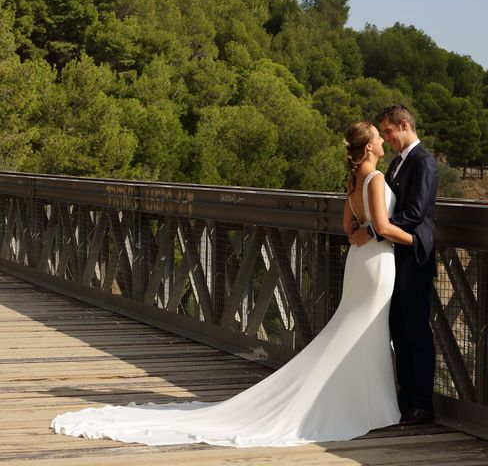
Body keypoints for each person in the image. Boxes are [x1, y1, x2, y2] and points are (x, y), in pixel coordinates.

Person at [50, 120, 413, 447]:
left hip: (359, 263)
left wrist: (363, 232)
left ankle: (361, 403)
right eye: (379, 138)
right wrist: (418, 240)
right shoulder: (376, 179)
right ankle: (368, 406)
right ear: (368, 147)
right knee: (366, 329)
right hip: (378, 263)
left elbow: (349, 231)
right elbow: (381, 228)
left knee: (354, 328)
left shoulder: (353, 182)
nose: (383, 141)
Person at [350, 105, 438, 425]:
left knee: (415, 331)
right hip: (394, 258)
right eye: (382, 133)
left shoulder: (424, 162)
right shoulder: (397, 164)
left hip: (415, 258)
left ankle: (422, 404)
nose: (386, 138)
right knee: (399, 332)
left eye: (388, 131)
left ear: (404, 125)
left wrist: (373, 229)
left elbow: (415, 214)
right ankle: (405, 398)